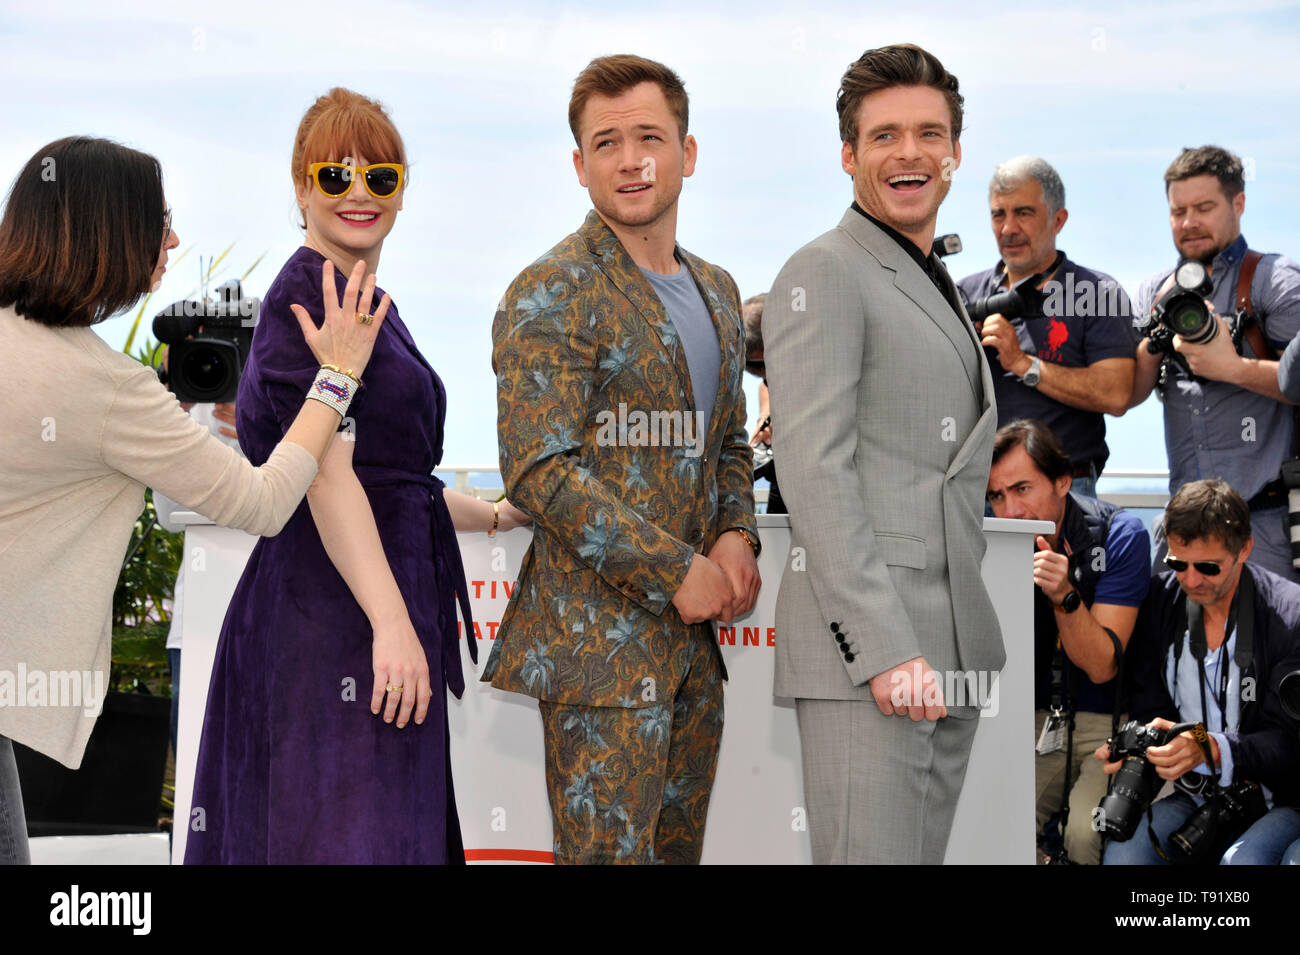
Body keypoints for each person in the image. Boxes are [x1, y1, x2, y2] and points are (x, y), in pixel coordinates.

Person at [0, 135, 388, 865]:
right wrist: (336, 376)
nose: (173, 239)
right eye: (159, 222)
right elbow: (266, 501)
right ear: (108, 233)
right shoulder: (104, 388)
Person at [184, 89, 528, 865]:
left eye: (381, 175)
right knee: (347, 835)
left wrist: (497, 514)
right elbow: (327, 478)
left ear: (403, 188)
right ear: (300, 187)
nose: (360, 193)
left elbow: (397, 478)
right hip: (331, 613)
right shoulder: (311, 299)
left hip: (367, 598)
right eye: (334, 175)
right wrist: (393, 621)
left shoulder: (367, 301)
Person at [485, 54, 760, 865]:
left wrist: (737, 532)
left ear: (688, 151)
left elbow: (731, 443)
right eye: (607, 142)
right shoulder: (549, 289)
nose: (631, 158)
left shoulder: (718, 289)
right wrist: (676, 568)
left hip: (694, 659)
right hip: (598, 660)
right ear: (580, 165)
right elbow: (539, 469)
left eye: (650, 136)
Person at [764, 43, 1004, 865]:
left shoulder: (931, 276)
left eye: (930, 133)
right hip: (873, 654)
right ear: (848, 155)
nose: (911, 153)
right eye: (885, 135)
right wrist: (887, 647)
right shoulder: (826, 271)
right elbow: (813, 469)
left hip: (950, 643)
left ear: (956, 151)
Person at [1099, 480, 1300, 864]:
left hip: (1279, 798)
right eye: (1177, 563)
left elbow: (1288, 743)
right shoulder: (1160, 601)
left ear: (1245, 549)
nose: (1190, 580)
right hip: (1197, 795)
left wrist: (1210, 746)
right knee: (1124, 856)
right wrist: (1139, 749)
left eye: (1208, 567)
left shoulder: (1290, 616)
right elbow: (1150, 705)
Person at [1129, 145, 1300, 582]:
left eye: (1204, 207)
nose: (1189, 223)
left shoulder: (1274, 281)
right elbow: (1126, 395)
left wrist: (1233, 367)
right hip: (1181, 530)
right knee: (1171, 651)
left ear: (1238, 204)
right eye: (1178, 210)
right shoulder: (1154, 292)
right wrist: (1155, 340)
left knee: (1273, 648)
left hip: (1263, 529)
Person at [986, 419, 1150, 864]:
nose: (1010, 509)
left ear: (1063, 481)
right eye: (996, 495)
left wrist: (1065, 597)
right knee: (992, 822)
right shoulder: (990, 540)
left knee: (1083, 832)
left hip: (1110, 723)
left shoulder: (1120, 533)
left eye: (1022, 489)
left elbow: (1101, 666)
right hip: (1033, 721)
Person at [958, 157, 1135, 496]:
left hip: (1065, 491)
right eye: (999, 214)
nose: (1008, 229)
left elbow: (1116, 395)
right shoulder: (965, 293)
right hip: (982, 492)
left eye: (1023, 213)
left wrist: (1023, 364)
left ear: (1058, 219)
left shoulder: (1098, 293)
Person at [741, 293, 785, 515]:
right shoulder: (769, 381)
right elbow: (767, 387)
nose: (764, 375)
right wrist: (764, 419)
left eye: (761, 365)